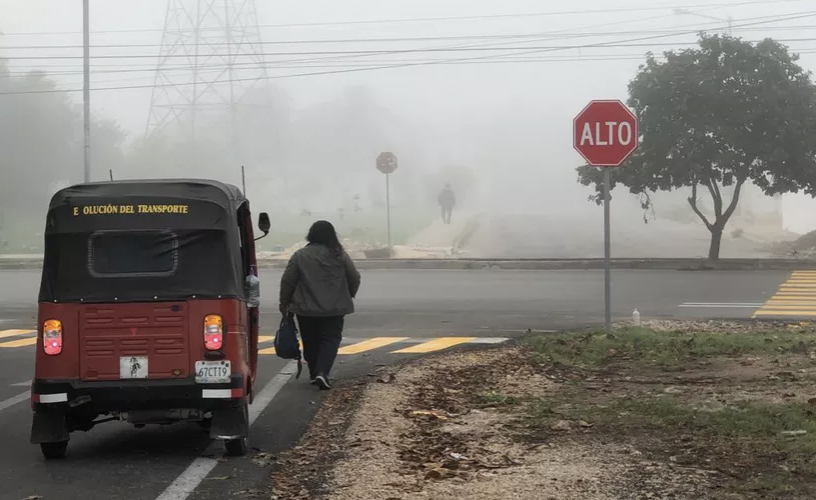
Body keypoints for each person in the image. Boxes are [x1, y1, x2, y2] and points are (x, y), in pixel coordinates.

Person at [279, 220, 361, 390]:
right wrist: (348, 294)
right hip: (335, 308)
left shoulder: (300, 255)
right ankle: (322, 373)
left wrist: (284, 303)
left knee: (310, 340)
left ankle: (314, 372)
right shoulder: (340, 255)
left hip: (306, 309)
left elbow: (288, 281)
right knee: (330, 339)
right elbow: (354, 277)